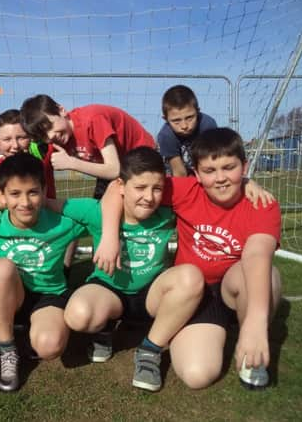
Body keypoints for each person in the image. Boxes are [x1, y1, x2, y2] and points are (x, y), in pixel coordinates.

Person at [97, 128, 281, 390]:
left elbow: (257, 254)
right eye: (209, 171)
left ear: (244, 166)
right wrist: (109, 237)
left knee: (268, 276)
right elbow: (119, 188)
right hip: (194, 293)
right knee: (197, 375)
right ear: (196, 173)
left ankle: (250, 343)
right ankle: (183, 336)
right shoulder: (185, 190)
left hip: (232, 287)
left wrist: (256, 322)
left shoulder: (262, 203)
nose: (220, 179)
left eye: (229, 167)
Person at [59, 146, 203, 392]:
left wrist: (246, 183)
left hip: (151, 295)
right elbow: (43, 203)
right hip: (109, 290)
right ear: (121, 187)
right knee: (78, 314)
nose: (149, 197)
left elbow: (211, 195)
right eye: (140, 188)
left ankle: (150, 350)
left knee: (190, 277)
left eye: (156, 189)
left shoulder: (169, 213)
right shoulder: (97, 211)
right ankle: (103, 329)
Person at [0, 152, 86, 392]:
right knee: (1, 267)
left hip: (48, 296)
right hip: (10, 295)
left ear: (44, 190)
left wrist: (54, 204)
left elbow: (100, 213)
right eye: (15, 194)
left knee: (50, 346)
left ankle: (31, 334)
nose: (25, 202)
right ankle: (7, 348)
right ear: (1, 195)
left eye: (33, 192)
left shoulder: (63, 222)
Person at [20, 94, 156, 199]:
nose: (50, 137)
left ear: (62, 110)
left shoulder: (92, 120)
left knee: (135, 207)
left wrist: (71, 163)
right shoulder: (58, 139)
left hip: (142, 156)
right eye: (43, 136)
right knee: (101, 210)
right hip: (111, 164)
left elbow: (114, 170)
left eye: (49, 126)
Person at [0, 109, 57, 199]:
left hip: (48, 212)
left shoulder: (44, 157)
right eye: (7, 139)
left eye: (21, 138)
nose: (15, 145)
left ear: (30, 137)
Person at [157, 85, 218, 177]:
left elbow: (213, 162)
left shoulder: (208, 126)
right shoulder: (166, 136)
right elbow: (179, 172)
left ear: (198, 112)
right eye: (176, 121)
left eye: (189, 118)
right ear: (165, 119)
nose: (184, 126)